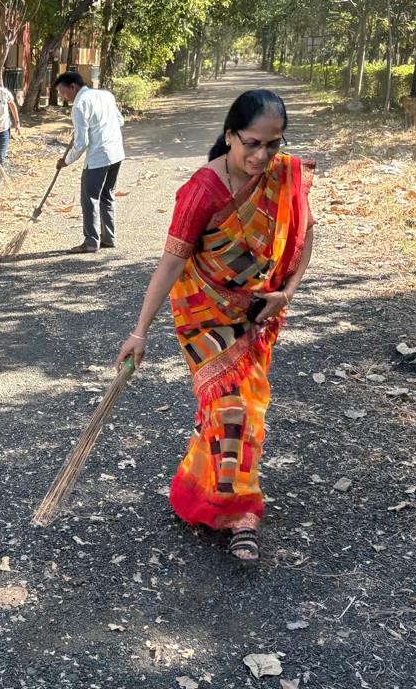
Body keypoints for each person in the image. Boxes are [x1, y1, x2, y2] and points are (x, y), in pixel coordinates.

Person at [113, 90, 315, 564]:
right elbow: (169, 264)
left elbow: (306, 235)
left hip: (255, 315)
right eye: (251, 143)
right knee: (233, 407)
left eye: (273, 144)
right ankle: (238, 512)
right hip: (203, 317)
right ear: (229, 135)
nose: (262, 157)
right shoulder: (202, 191)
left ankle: (205, 492)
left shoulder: (282, 179)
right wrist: (140, 331)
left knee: (241, 410)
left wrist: (287, 292)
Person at [53, 71, 125, 254]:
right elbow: (120, 121)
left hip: (98, 157)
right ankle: (108, 238)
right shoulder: (106, 95)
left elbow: (81, 143)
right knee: (107, 195)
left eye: (63, 92)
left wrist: (66, 161)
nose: (62, 97)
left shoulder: (79, 105)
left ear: (73, 87)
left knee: (89, 198)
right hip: (116, 153)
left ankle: (91, 241)